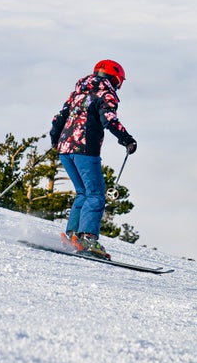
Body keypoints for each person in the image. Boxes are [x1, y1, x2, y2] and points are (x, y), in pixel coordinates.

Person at [49, 59, 137, 259]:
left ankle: (73, 235)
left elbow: (58, 118)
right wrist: (127, 140)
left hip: (65, 149)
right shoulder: (105, 94)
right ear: (115, 78)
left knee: (83, 193)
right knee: (96, 194)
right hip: (85, 149)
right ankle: (87, 238)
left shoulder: (77, 93)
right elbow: (110, 120)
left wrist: (55, 140)